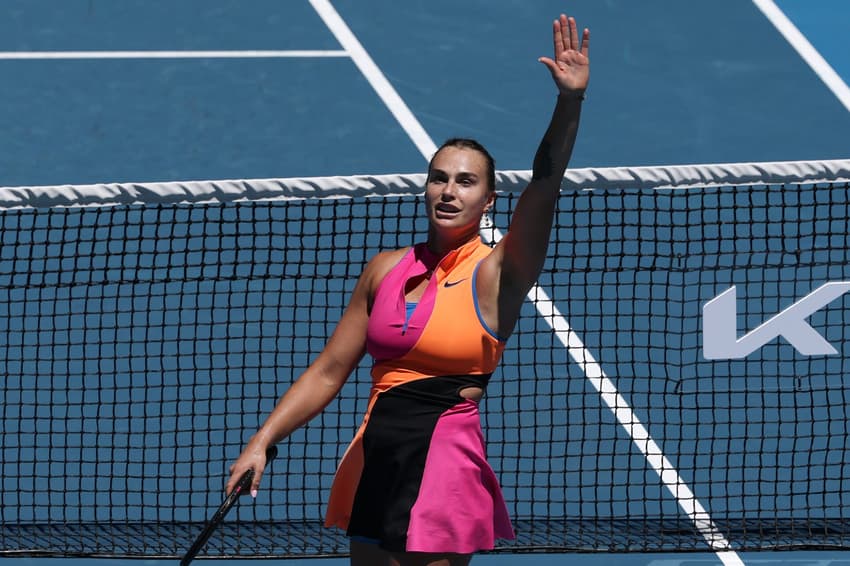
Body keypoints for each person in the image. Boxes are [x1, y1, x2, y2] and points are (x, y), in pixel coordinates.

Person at [226, 11, 590, 566]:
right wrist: (261, 441)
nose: (449, 191)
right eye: (439, 177)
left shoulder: (499, 274)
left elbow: (545, 181)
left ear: (488, 200)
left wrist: (569, 103)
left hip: (443, 461)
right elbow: (329, 369)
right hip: (375, 454)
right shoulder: (384, 269)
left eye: (466, 182)